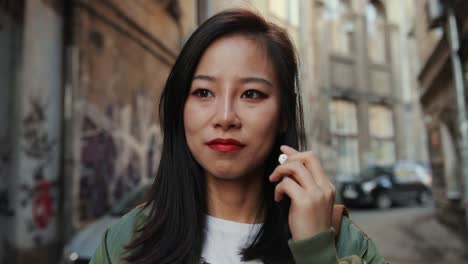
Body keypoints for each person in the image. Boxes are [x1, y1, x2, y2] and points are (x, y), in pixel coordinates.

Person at [90, 8, 384, 264]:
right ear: (181, 108)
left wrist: (317, 253)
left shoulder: (344, 243)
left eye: (251, 94)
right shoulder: (123, 244)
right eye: (203, 92)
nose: (226, 117)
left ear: (283, 114)